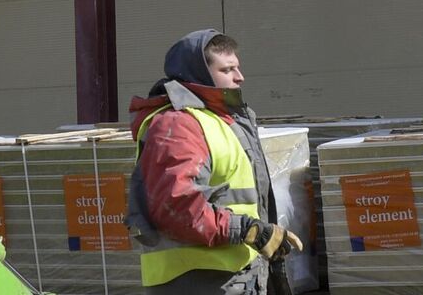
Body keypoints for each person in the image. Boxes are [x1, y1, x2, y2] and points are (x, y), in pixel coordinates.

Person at [127, 31, 300, 294]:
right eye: (227, 69)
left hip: (231, 277)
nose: (239, 77)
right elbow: (177, 208)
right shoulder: (180, 125)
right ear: (200, 74)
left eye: (237, 67)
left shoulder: (224, 121)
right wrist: (250, 231)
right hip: (196, 281)